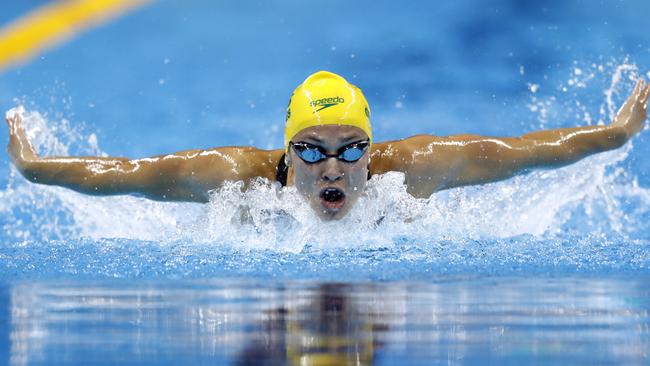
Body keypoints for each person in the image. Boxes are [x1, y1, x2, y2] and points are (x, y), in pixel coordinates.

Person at [5, 71, 649, 220]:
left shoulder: (412, 171)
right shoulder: (238, 180)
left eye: (352, 148)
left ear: (373, 148)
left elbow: (525, 150)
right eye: (311, 150)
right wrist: (36, 170)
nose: (334, 165)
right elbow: (127, 173)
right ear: (287, 154)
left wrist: (615, 135)